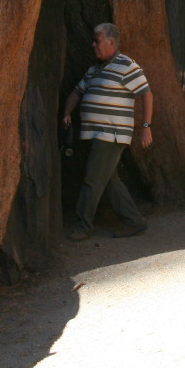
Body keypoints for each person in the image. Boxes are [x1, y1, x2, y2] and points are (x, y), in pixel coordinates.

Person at [61, 23, 152, 240]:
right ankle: (134, 221)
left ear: (111, 42)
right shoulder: (94, 70)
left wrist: (146, 127)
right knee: (109, 180)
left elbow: (147, 94)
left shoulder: (127, 66)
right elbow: (77, 91)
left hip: (111, 134)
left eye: (97, 40)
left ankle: (83, 226)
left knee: (92, 179)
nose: (93, 44)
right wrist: (66, 112)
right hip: (95, 133)